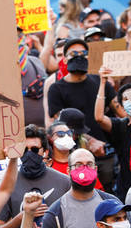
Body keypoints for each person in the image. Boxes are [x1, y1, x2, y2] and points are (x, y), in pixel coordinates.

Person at [47, 38, 123, 192]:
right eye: (73, 53)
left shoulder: (101, 82)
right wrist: (89, 140)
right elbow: (60, 125)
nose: (79, 56)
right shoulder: (56, 89)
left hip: (106, 154)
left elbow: (121, 113)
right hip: (76, 156)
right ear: (65, 58)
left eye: (83, 53)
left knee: (107, 194)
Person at [0, 124, 71, 228]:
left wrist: (50, 223)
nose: (30, 154)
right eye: (25, 150)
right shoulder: (8, 184)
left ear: (45, 152)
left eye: (35, 149)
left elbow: (75, 224)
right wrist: (24, 216)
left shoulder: (64, 182)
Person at [41, 148, 119, 228]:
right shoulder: (55, 214)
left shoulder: (113, 203)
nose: (84, 170)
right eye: (78, 165)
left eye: (89, 164)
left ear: (95, 169)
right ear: (68, 171)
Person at [95, 71, 131, 201]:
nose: (130, 101)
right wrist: (102, 83)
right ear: (121, 105)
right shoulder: (120, 126)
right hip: (127, 190)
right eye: (125, 99)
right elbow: (99, 118)